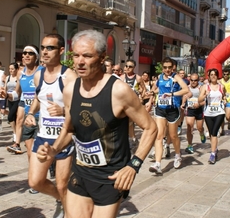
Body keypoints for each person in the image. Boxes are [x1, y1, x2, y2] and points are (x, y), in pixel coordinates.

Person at [36, 29, 157, 217]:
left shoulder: (119, 91)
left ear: (102, 58)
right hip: (81, 171)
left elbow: (150, 127)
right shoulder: (70, 90)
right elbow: (69, 129)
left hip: (110, 177)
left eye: (87, 55)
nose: (80, 61)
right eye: (76, 55)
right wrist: (54, 149)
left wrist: (133, 165)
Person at [24, 34, 77, 217]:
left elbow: (79, 108)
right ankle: (63, 200)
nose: (44, 52)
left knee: (62, 184)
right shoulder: (38, 74)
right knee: (35, 182)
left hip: (64, 138)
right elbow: (39, 99)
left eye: (50, 48)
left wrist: (63, 111)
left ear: (61, 50)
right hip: (44, 137)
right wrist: (30, 113)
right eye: (43, 47)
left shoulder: (69, 76)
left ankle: (68, 209)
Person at [146, 57, 189, 174]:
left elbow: (185, 90)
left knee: (173, 135)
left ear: (173, 67)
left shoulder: (176, 77)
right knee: (159, 135)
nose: (167, 69)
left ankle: (178, 155)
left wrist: (171, 94)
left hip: (172, 110)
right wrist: (151, 93)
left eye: (169, 67)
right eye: (165, 67)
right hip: (160, 109)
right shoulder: (160, 77)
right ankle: (158, 164)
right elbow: (156, 89)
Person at [2, 46, 42, 155]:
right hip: (29, 114)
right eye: (24, 53)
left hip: (41, 115)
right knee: (30, 152)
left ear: (36, 57)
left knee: (40, 151)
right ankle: (17, 144)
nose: (26, 55)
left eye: (30, 53)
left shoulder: (42, 71)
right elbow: (17, 94)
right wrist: (7, 95)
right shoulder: (21, 73)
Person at [198, 68, 226, 164]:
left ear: (217, 76)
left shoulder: (221, 86)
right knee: (211, 133)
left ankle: (213, 154)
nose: (213, 76)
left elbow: (224, 96)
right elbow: (199, 99)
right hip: (208, 112)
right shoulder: (205, 87)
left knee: (214, 132)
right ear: (209, 77)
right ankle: (215, 148)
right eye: (211, 75)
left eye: (215, 74)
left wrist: (225, 100)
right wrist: (205, 95)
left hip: (219, 112)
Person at [121, 59, 146, 153]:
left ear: (134, 68)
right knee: (126, 123)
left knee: (130, 122)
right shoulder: (122, 77)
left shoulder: (138, 78)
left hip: (133, 104)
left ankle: (132, 140)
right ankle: (132, 139)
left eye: (130, 66)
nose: (127, 68)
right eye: (126, 66)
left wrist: (141, 97)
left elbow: (143, 88)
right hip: (124, 103)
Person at [182, 73, 206, 154]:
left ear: (198, 81)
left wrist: (199, 104)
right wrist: (183, 104)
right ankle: (190, 145)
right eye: (191, 80)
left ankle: (202, 133)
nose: (193, 82)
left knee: (199, 128)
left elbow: (205, 101)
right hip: (190, 110)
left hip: (199, 110)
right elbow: (184, 97)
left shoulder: (201, 88)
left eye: (195, 80)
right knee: (189, 127)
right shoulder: (187, 88)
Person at [4, 62, 20, 145]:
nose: (11, 70)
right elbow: (5, 88)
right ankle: (15, 133)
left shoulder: (19, 78)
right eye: (9, 69)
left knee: (11, 116)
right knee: (12, 117)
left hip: (17, 99)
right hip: (9, 100)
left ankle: (17, 134)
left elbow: (19, 90)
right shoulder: (8, 78)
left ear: (17, 69)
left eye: (12, 69)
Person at [219, 68, 230, 136]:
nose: (226, 75)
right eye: (224, 74)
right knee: (221, 116)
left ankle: (229, 120)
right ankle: (222, 130)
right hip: (222, 100)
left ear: (229, 74)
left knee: (227, 116)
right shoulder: (220, 81)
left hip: (229, 100)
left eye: (227, 74)